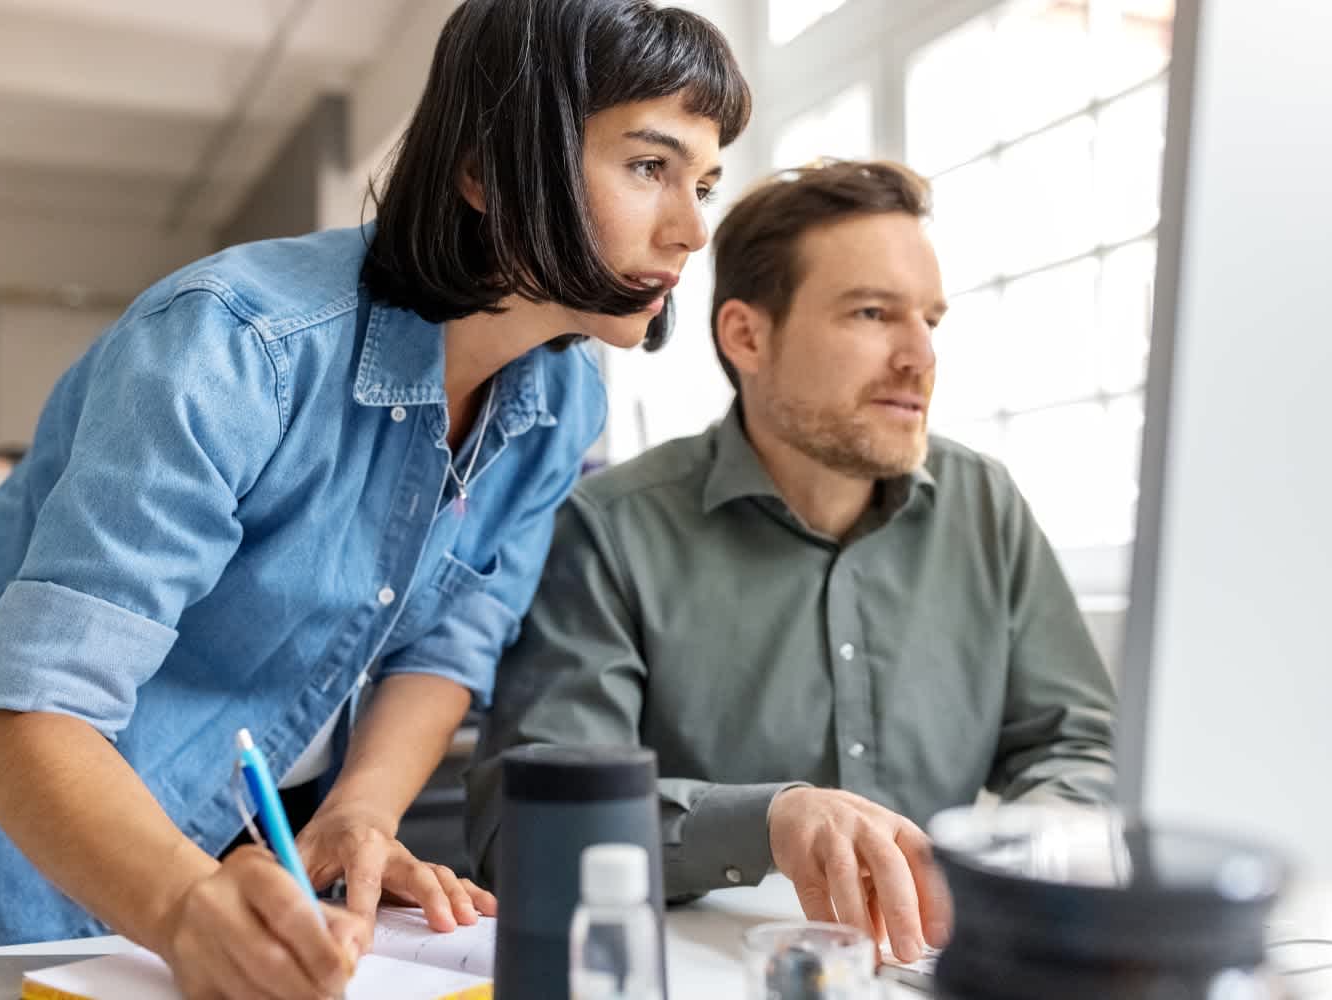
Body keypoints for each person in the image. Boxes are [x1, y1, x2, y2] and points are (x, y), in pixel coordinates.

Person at [0, 1, 749, 996]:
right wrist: (176, 902)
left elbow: (451, 643)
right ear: (486, 173)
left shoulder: (561, 397)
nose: (692, 228)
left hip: (240, 757)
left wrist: (363, 810)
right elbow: (37, 714)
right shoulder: (234, 346)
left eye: (706, 180)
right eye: (650, 167)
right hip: (31, 763)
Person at [465, 160, 1117, 965]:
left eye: (932, 321)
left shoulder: (985, 505)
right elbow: (526, 829)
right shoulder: (607, 530)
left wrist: (1024, 859)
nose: (919, 357)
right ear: (748, 336)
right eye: (874, 313)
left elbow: (1078, 747)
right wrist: (765, 824)